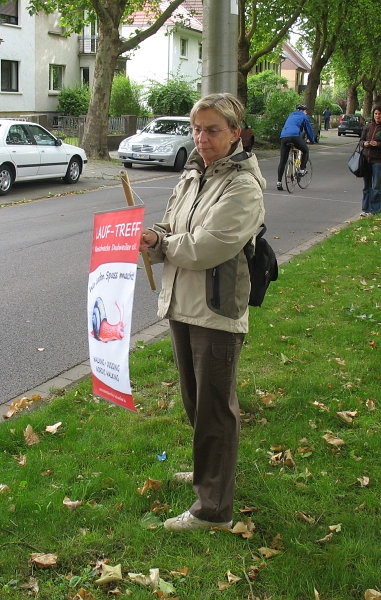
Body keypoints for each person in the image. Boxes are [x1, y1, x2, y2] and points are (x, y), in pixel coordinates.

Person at [138, 93, 266, 531]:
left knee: (215, 409)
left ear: (235, 133)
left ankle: (213, 511)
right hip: (182, 303)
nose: (202, 137)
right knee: (195, 403)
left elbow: (206, 247)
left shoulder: (243, 186)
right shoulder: (194, 175)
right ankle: (207, 473)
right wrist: (153, 236)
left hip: (215, 310)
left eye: (212, 129)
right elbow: (173, 228)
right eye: (197, 129)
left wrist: (163, 246)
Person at [358, 106, 381, 217]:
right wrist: (365, 143)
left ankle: (375, 211)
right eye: (375, 114)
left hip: (378, 161)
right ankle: (365, 209)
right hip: (366, 159)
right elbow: (361, 141)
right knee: (366, 186)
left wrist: (378, 144)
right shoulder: (368, 126)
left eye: (379, 114)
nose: (377, 116)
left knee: (376, 186)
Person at [276, 103, 316, 191]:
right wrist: (312, 140)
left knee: (282, 161)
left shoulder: (291, 115)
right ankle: (302, 169)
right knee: (305, 150)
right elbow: (308, 130)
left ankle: (279, 182)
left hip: (284, 137)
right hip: (294, 136)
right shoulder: (304, 117)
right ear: (304, 111)